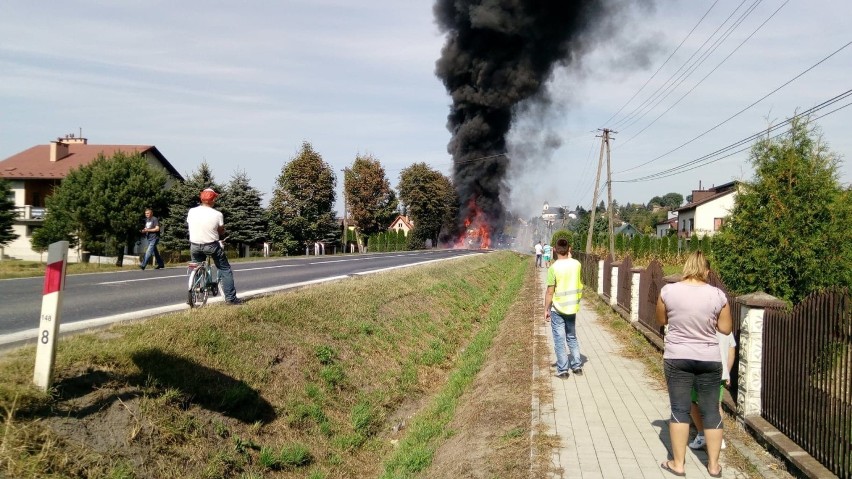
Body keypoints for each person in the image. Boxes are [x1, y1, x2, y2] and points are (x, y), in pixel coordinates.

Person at [656, 250, 732, 478]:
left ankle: (678, 464)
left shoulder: (668, 291)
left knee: (679, 409)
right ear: (706, 271)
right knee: (711, 412)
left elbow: (662, 320)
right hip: (709, 358)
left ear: (686, 267)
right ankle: (714, 466)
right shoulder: (718, 295)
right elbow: (726, 329)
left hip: (677, 356)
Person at [187, 188, 243, 305]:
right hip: (211, 245)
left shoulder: (191, 211)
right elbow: (221, 231)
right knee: (224, 269)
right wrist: (222, 232)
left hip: (194, 245)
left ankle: (194, 293)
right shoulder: (218, 214)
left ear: (201, 198)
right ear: (213, 200)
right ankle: (231, 299)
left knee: (197, 266)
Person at [688, 331, 736, 450]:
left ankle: (702, 434)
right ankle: (718, 438)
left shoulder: (700, 324)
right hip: (719, 373)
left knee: (692, 402)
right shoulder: (726, 329)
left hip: (699, 371)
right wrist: (727, 372)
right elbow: (731, 352)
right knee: (716, 405)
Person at [544, 239, 583, 378]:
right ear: (569, 249)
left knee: (560, 339)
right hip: (572, 307)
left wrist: (546, 309)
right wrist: (569, 253)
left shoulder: (553, 268)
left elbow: (550, 292)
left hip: (558, 309)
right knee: (571, 337)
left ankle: (563, 370)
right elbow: (571, 262)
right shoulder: (577, 264)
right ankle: (577, 366)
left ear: (554, 249)